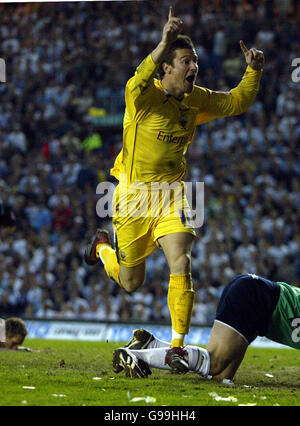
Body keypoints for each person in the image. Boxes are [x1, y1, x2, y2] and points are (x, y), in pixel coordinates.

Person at [84, 7, 264, 349]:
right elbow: (136, 79)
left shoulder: (195, 99)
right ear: (166, 67)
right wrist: (163, 40)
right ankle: (102, 248)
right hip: (133, 196)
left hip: (174, 192)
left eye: (194, 60)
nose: (194, 66)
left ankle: (177, 347)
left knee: (181, 260)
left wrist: (253, 71)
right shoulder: (143, 98)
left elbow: (237, 102)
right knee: (130, 281)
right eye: (186, 61)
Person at [112, 274, 300, 380]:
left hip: (256, 299)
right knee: (214, 363)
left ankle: (150, 345)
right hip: (255, 298)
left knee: (221, 377)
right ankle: (135, 357)